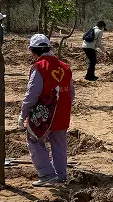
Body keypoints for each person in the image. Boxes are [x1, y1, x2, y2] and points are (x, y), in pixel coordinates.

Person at [19, 34, 75, 187]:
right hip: (62, 114)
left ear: (33, 51)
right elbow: (71, 93)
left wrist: (23, 114)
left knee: (34, 139)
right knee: (59, 145)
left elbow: (31, 95)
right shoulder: (65, 67)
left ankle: (47, 174)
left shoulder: (40, 67)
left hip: (44, 116)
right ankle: (61, 176)